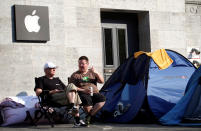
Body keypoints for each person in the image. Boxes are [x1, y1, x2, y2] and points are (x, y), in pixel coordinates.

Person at [34, 62, 86, 127]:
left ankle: (72, 106)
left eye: (54, 68)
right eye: (52, 68)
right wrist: (51, 91)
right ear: (46, 70)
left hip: (63, 96)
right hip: (52, 98)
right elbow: (38, 92)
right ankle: (76, 117)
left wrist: (84, 90)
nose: (54, 69)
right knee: (74, 93)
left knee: (72, 88)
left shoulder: (57, 79)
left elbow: (67, 88)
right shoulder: (41, 79)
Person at [69, 56, 106, 126]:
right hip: (83, 93)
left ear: (87, 64)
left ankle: (89, 116)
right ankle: (90, 118)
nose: (81, 65)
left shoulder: (92, 73)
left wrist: (96, 73)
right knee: (86, 99)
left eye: (83, 64)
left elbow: (102, 81)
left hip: (94, 92)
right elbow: (71, 87)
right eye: (79, 64)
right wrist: (83, 90)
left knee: (102, 99)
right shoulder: (75, 75)